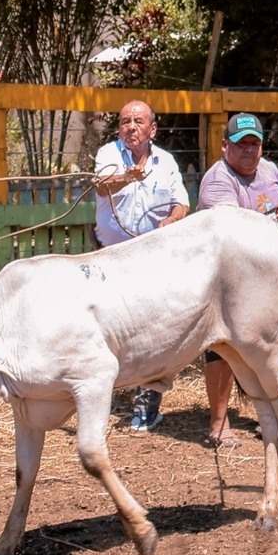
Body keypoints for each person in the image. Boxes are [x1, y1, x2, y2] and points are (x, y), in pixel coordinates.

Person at [194, 112, 278, 445]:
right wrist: (270, 226)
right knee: (223, 346)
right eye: (241, 145)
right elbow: (234, 234)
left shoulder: (267, 169)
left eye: (254, 144)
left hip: (270, 274)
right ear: (225, 146)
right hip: (227, 279)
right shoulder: (218, 181)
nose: (248, 151)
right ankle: (219, 423)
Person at [92, 99, 191, 430]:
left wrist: (171, 221)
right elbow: (102, 185)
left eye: (138, 121)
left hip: (152, 257)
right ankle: (99, 395)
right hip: (110, 256)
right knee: (106, 329)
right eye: (124, 122)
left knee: (150, 332)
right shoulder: (108, 155)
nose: (130, 127)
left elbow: (182, 204)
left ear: (152, 129)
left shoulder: (167, 162)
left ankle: (146, 404)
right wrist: (127, 178)